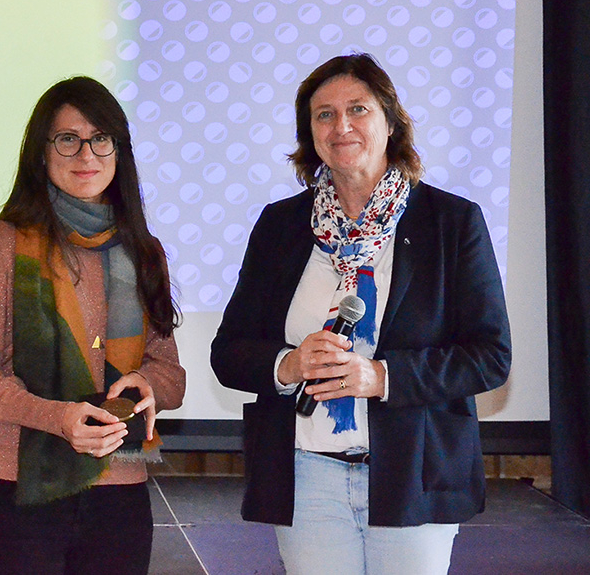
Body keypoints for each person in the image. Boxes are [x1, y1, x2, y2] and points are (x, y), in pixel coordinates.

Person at [210, 53, 511, 574]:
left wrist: (380, 376)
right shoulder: (281, 226)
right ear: (310, 132)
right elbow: (229, 351)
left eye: (358, 109)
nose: (341, 125)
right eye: (323, 114)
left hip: (412, 475)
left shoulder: (453, 222)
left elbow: (489, 357)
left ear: (390, 123)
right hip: (306, 475)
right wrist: (289, 364)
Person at [0, 76, 186, 574]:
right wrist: (61, 420)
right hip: (16, 491)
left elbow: (168, 371)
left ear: (119, 151)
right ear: (41, 152)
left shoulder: (145, 252)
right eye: (68, 139)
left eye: (101, 139)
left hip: (120, 494)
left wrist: (147, 384)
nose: (87, 154)